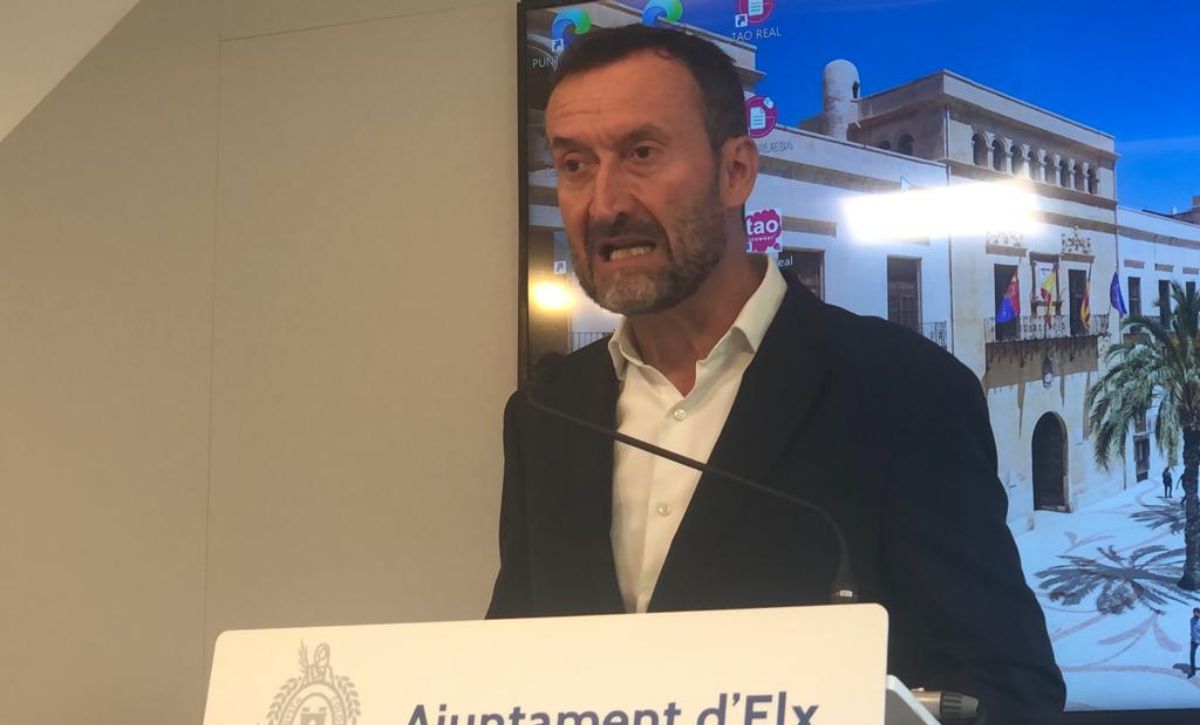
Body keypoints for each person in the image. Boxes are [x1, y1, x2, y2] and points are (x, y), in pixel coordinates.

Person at [488, 24, 1064, 723]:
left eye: (641, 153)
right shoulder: (545, 414)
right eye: (575, 163)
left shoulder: (905, 394)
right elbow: (509, 660)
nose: (604, 203)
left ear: (736, 171)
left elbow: (1012, 692)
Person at [1191, 608, 1200, 677]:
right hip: (1194, 640)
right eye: (1194, 612)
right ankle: (1193, 671)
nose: (1195, 613)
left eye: (1196, 612)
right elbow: (1193, 629)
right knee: (1192, 655)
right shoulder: (1192, 620)